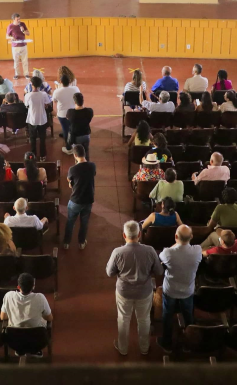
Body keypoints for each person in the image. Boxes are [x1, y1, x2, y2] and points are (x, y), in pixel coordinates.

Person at [106, 221, 163, 356]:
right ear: (139, 234)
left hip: (124, 292)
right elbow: (159, 271)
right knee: (144, 320)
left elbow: (109, 272)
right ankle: (144, 348)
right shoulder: (149, 251)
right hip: (144, 292)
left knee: (123, 319)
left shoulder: (118, 252)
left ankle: (123, 348)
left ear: (124, 235)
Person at [158, 224, 202, 353]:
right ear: (192, 237)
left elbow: (161, 257)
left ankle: (167, 342)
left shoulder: (168, 253)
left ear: (176, 236)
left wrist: (176, 243)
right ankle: (189, 342)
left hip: (170, 290)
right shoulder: (197, 250)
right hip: (188, 291)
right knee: (189, 316)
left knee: (167, 315)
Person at [0, 273, 53, 340]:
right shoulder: (40, 298)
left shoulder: (8, 296)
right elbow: (49, 318)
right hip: (37, 340)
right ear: (33, 286)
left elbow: (3, 317)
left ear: (18, 287)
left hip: (15, 341)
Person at [65, 144, 95, 250]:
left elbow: (69, 180)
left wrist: (71, 183)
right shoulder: (92, 166)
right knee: (84, 222)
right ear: (84, 153)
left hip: (75, 200)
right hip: (88, 200)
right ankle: (81, 242)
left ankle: (66, 243)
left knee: (70, 221)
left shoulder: (72, 169)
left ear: (74, 155)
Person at [25, 76, 52, 161]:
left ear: (31, 84)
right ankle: (42, 155)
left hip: (32, 120)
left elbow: (26, 105)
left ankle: (33, 155)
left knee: (32, 138)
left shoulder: (28, 95)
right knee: (42, 138)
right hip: (42, 119)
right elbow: (48, 103)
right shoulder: (43, 94)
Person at [53, 73, 80, 147]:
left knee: (65, 130)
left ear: (61, 82)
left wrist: (57, 88)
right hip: (73, 113)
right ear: (70, 81)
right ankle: (74, 144)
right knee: (73, 128)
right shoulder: (75, 88)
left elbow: (54, 101)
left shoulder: (57, 91)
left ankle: (68, 147)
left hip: (62, 114)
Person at [66, 92, 93, 157]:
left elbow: (67, 118)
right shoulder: (89, 111)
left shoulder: (70, 112)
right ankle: (87, 164)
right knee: (86, 152)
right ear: (83, 101)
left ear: (74, 102)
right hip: (86, 135)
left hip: (76, 137)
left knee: (78, 155)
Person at [6, 13, 31, 79]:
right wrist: (11, 38)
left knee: (25, 60)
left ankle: (26, 74)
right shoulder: (10, 26)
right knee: (16, 61)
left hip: (23, 45)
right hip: (15, 46)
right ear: (14, 19)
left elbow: (28, 33)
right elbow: (7, 36)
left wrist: (23, 31)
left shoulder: (22, 24)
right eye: (17, 19)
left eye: (19, 19)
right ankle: (17, 74)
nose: (19, 20)